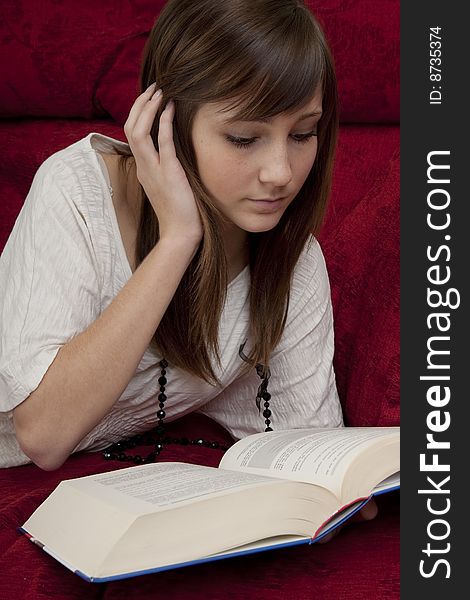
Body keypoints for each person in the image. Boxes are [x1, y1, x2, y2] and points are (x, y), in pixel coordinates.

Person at [0, 0, 345, 473]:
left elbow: (312, 452)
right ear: (166, 122)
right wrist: (177, 239)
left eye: (304, 134)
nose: (281, 173)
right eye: (244, 139)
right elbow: (43, 434)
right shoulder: (77, 190)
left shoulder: (290, 257)